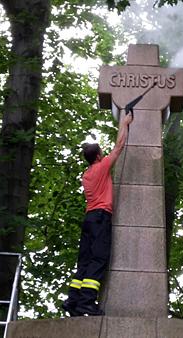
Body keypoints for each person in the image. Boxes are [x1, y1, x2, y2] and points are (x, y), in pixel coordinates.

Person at [62, 113, 134, 316]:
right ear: (99, 156)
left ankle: (73, 300)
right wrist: (124, 123)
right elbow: (119, 145)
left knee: (84, 260)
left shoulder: (86, 175)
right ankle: (86, 301)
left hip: (89, 219)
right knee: (98, 258)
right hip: (101, 217)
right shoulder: (102, 167)